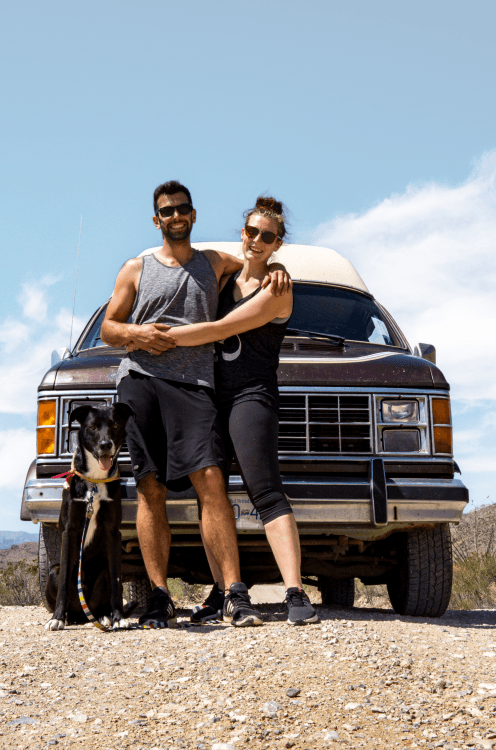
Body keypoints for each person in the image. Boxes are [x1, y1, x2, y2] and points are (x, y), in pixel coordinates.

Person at [100, 181, 290, 627]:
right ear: (156, 219)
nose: (176, 216)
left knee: (210, 478)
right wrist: (135, 335)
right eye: (167, 211)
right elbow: (109, 327)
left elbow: (254, 259)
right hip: (141, 380)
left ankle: (234, 595)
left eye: (183, 209)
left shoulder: (213, 263)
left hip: (195, 383)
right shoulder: (136, 268)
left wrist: (279, 265)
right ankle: (160, 596)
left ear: (194, 214)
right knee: (150, 487)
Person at [162, 196, 318, 626]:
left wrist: (160, 337)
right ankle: (226, 591)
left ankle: (296, 594)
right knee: (210, 494)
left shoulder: (276, 289)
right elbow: (192, 262)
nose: (256, 240)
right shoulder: (226, 273)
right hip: (211, 397)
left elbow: (220, 329)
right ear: (243, 232)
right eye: (251, 231)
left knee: (265, 491)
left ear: (277, 244)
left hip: (251, 395)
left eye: (267, 236)